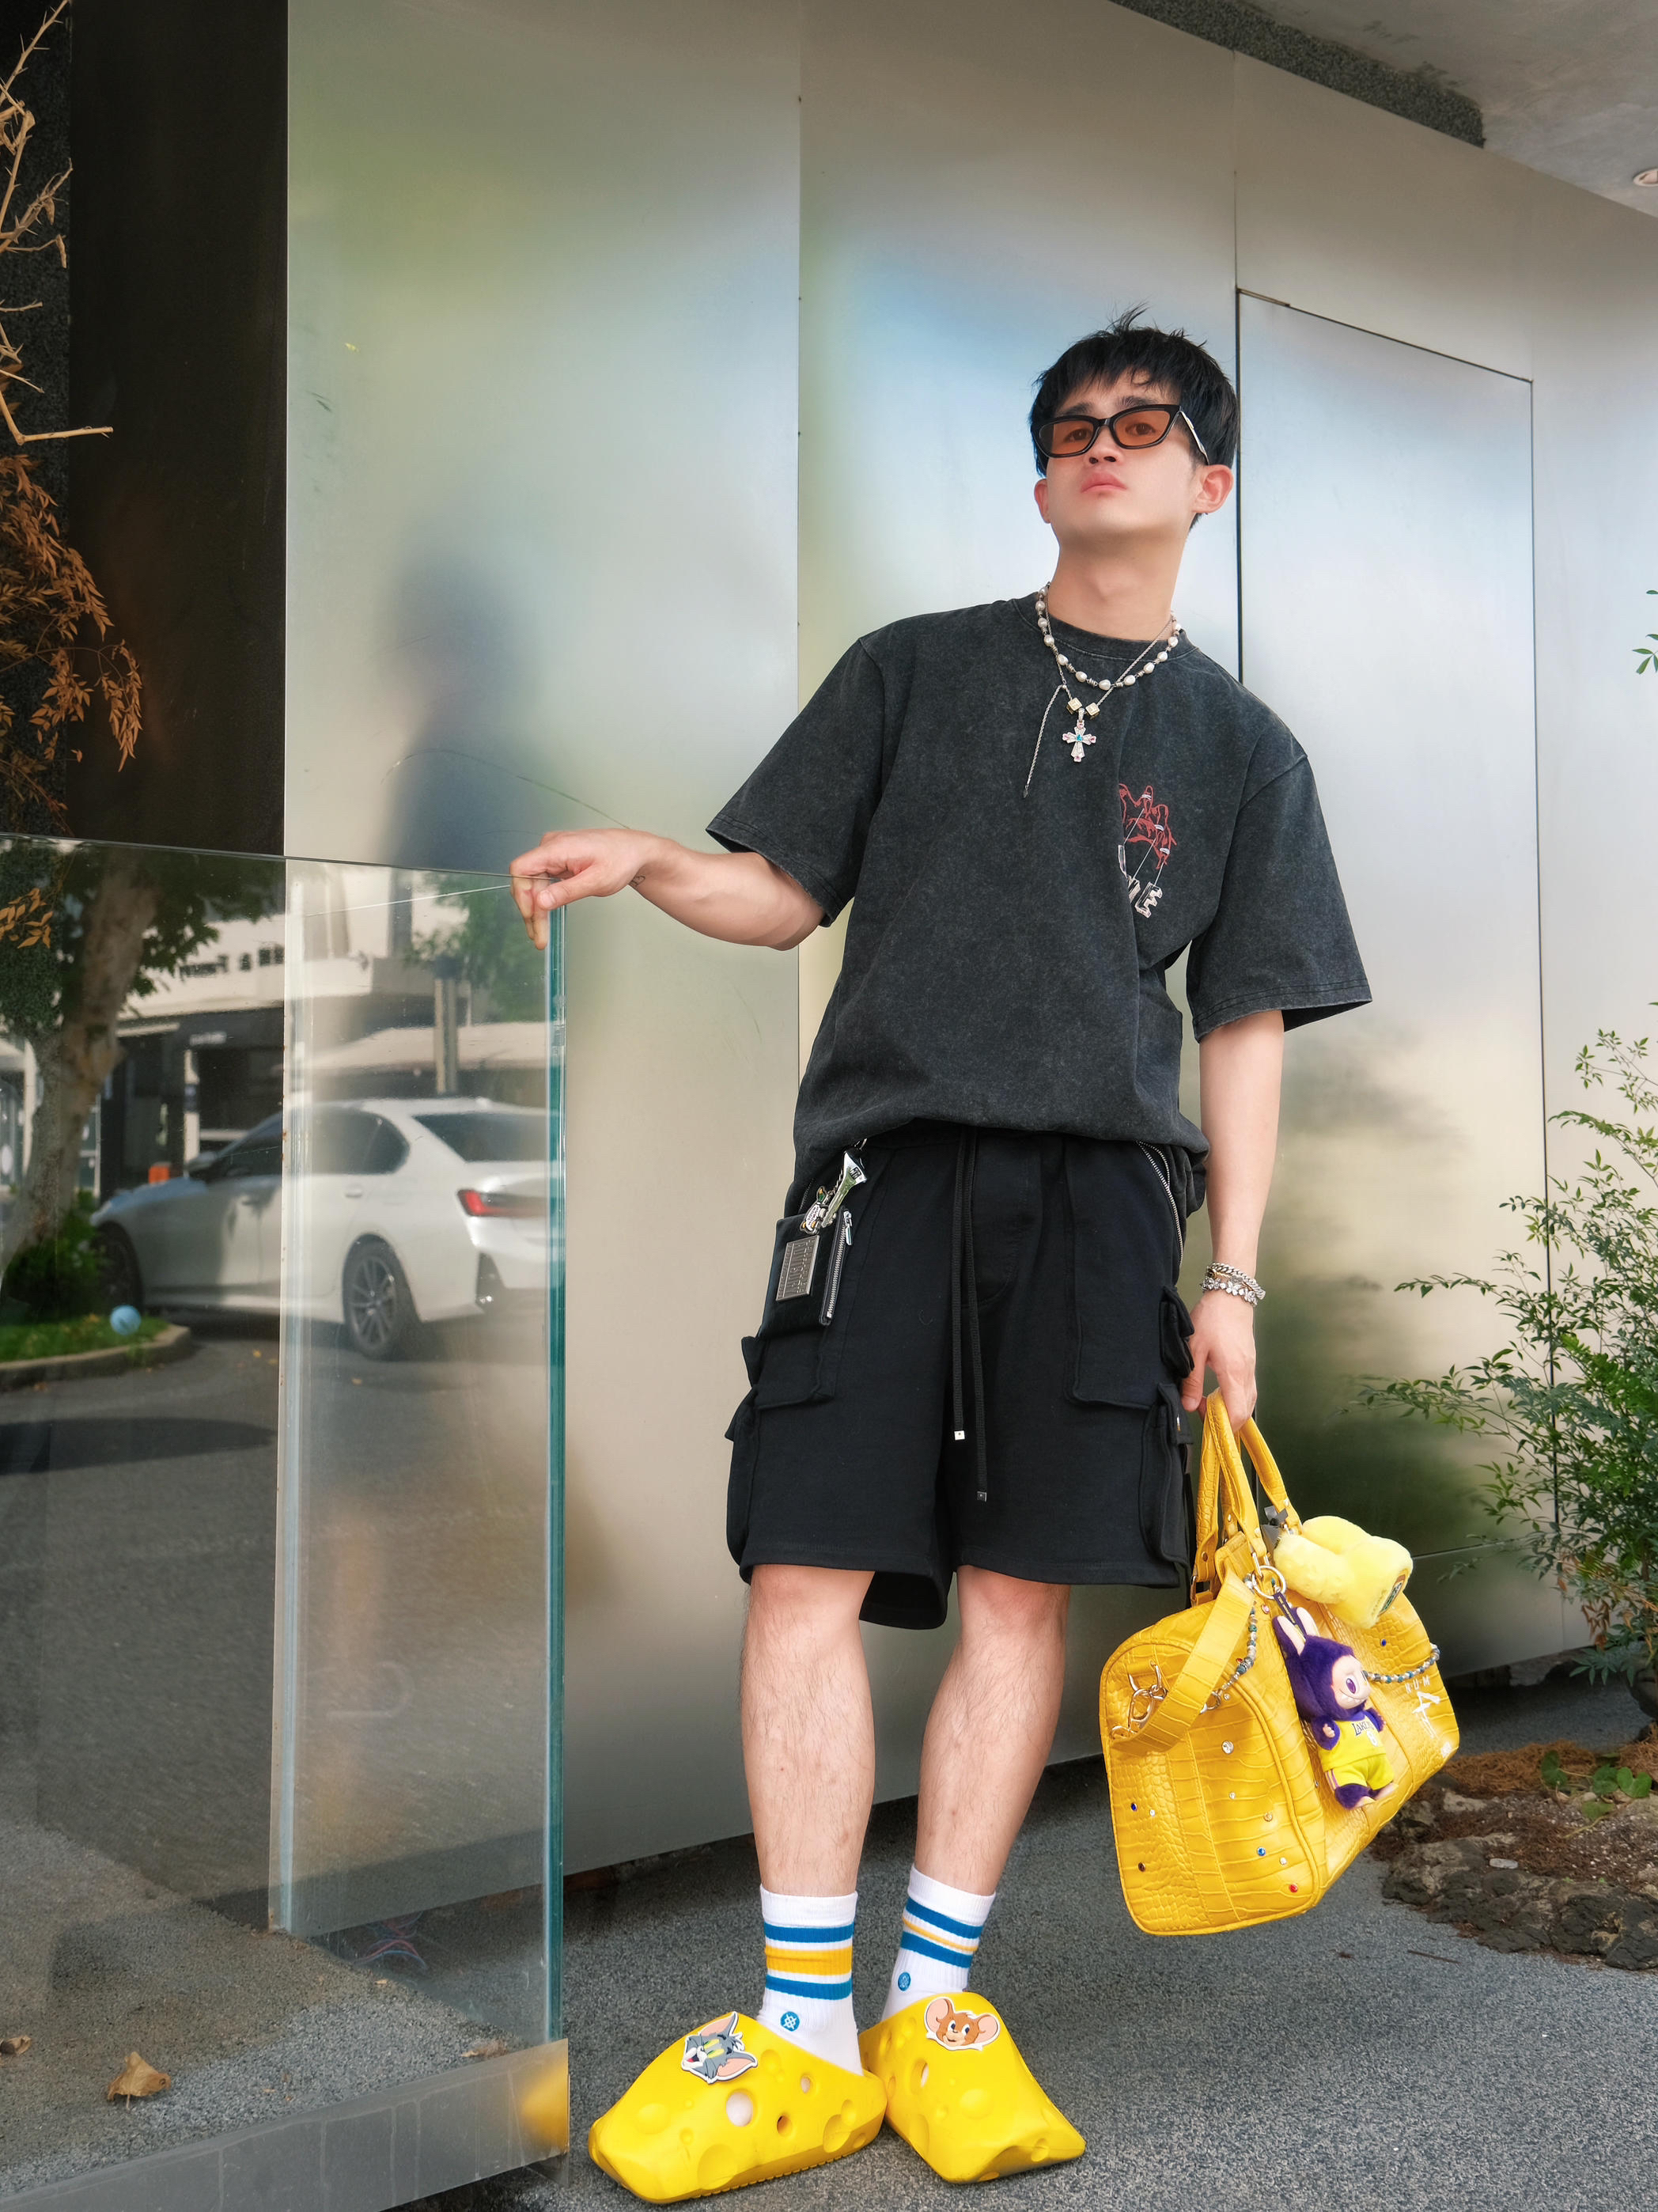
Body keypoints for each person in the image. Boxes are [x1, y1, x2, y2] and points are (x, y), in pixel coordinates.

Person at [512, 312, 1369, 2200]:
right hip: (879, 1182)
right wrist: (651, 859)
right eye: (1070, 425)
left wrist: (1233, 1282)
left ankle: (936, 2011)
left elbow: (1243, 1025)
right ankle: (802, 2031)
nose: (1100, 442)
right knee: (804, 1569)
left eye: (1142, 422)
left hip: (1100, 1206)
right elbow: (780, 893)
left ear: (1209, 482)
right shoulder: (913, 669)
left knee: (1017, 1598)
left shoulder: (1245, 752)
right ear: (1041, 477)